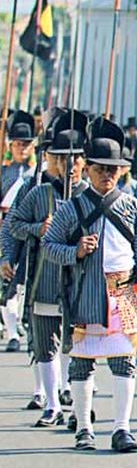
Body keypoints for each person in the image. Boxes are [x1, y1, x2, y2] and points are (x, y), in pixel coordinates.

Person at [43, 119, 137, 453]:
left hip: (123, 293)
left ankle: (122, 428)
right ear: (88, 169)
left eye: (112, 169)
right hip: (86, 292)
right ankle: (84, 427)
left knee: (125, 361)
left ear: (121, 172)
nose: (106, 175)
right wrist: (76, 251)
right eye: (99, 169)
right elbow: (50, 246)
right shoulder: (73, 208)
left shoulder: (132, 207)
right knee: (82, 362)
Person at [3, 114, 89, 428]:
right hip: (44, 276)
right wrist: (41, 228)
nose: (70, 165)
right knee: (45, 342)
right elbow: (13, 225)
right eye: (62, 158)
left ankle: (76, 399)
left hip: (82, 282)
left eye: (76, 158)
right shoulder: (37, 192)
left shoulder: (91, 196)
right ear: (51, 159)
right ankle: (51, 404)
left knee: (77, 341)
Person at [1, 109, 37, 354]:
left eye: (26, 145)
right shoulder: (4, 170)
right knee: (6, 281)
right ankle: (12, 332)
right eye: (17, 144)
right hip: (4, 227)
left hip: (29, 230)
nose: (22, 149)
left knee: (24, 281)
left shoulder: (37, 174)